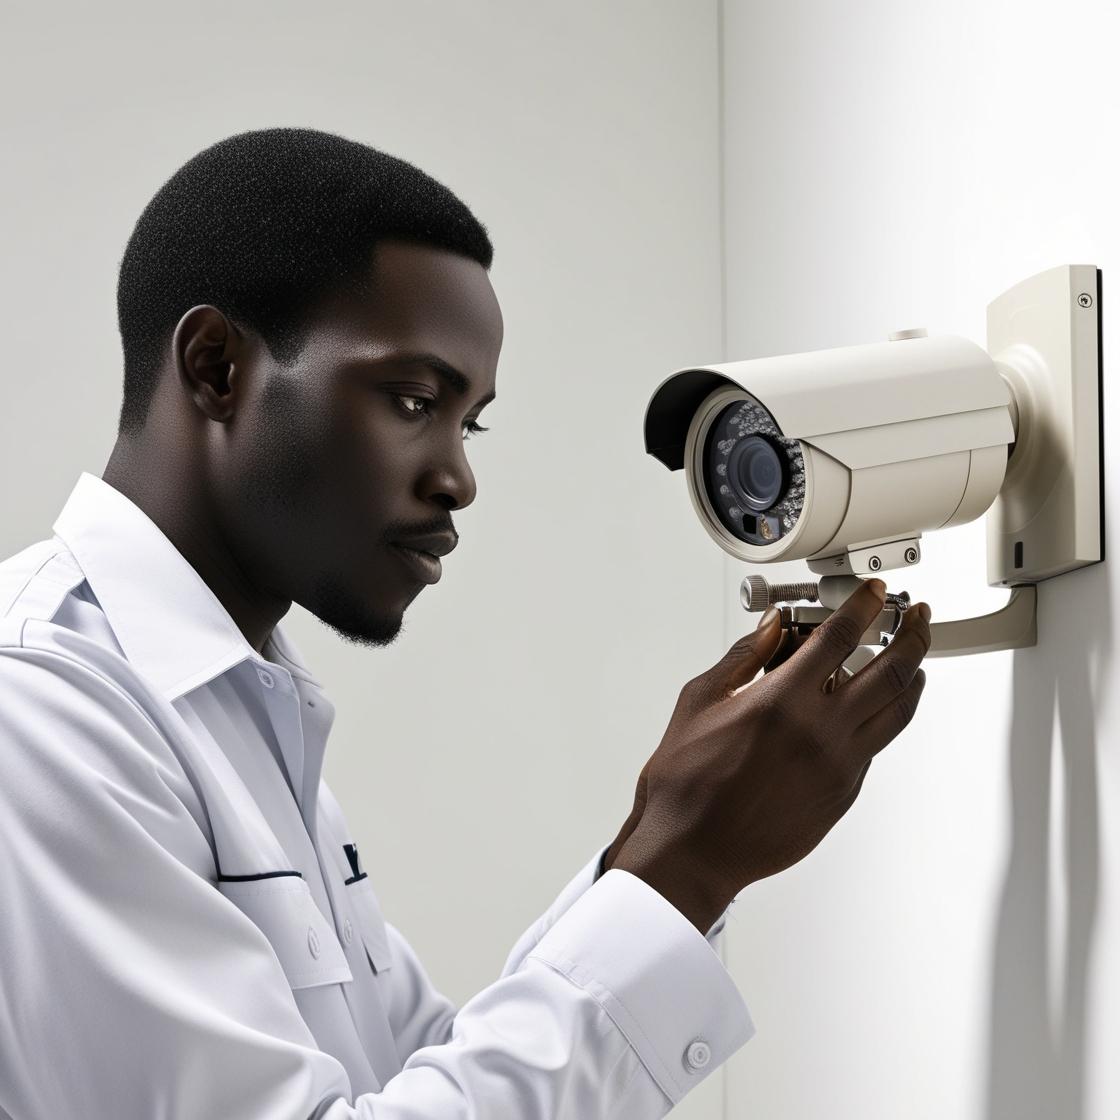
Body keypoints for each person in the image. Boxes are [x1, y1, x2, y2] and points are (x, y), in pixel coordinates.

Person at [0, 127, 932, 1119]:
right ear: (217, 366)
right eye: (412, 399)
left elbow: (420, 1075)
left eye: (468, 420)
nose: (459, 476)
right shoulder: (45, 713)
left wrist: (651, 838)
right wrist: (685, 867)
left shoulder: (240, 709)